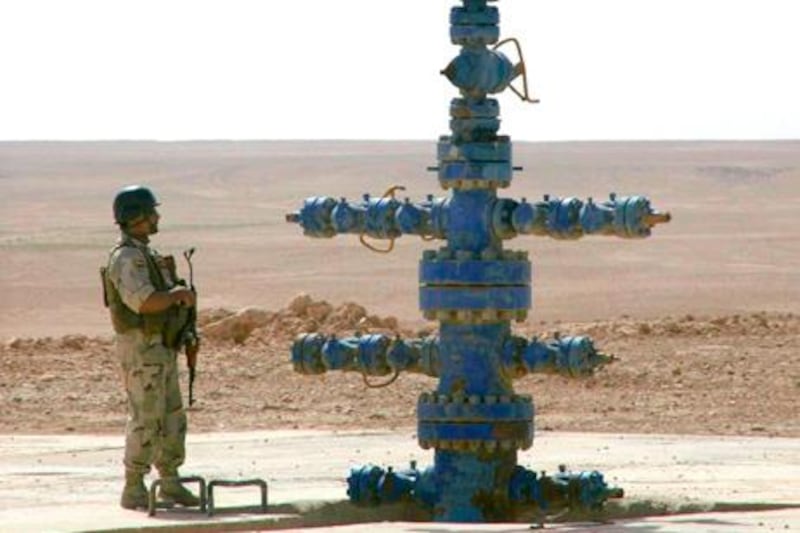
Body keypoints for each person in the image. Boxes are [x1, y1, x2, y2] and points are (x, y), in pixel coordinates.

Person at [101, 185, 201, 510]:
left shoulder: (148, 256)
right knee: (145, 416)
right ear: (136, 217)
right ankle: (134, 486)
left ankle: (169, 481)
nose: (157, 217)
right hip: (142, 350)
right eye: (151, 212)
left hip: (161, 347)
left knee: (171, 415)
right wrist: (175, 297)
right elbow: (143, 301)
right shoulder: (127, 259)